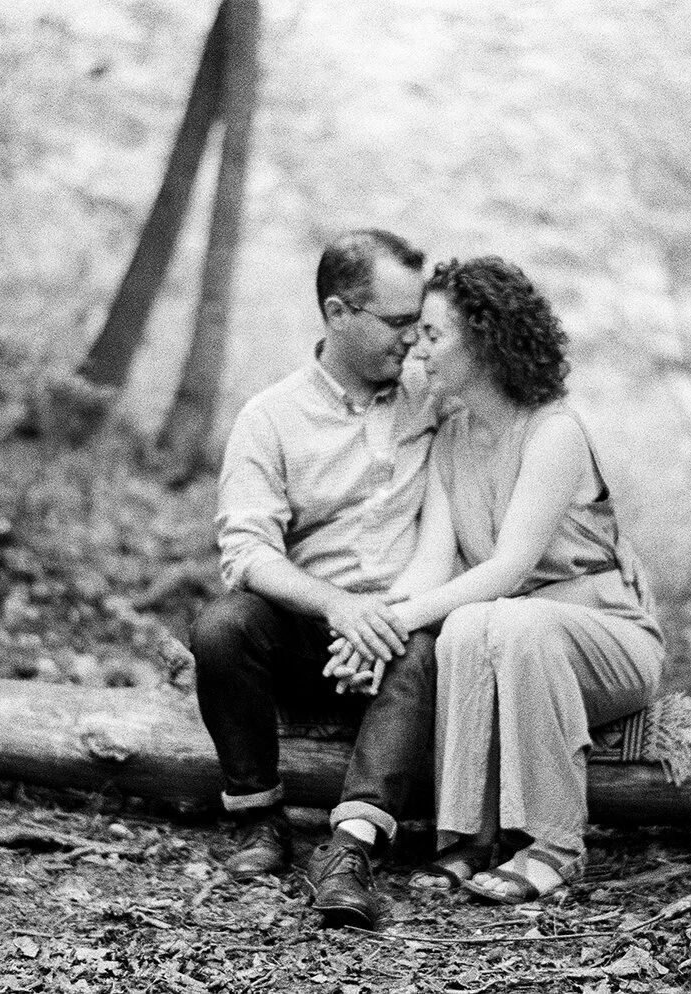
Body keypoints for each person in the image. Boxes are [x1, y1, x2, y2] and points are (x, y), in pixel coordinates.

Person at [327, 255, 664, 903]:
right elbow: (430, 568)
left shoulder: (553, 431)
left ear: (485, 341)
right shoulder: (451, 436)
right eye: (416, 333)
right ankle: (471, 838)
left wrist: (398, 620)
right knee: (463, 626)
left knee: (503, 616)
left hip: (609, 637)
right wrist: (365, 630)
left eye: (433, 333)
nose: (415, 348)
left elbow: (509, 569)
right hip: (513, 634)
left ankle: (557, 844)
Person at [192, 228, 440, 930]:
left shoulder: (432, 400)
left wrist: (381, 616)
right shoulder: (271, 416)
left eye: (419, 323)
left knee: (414, 645)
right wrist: (340, 609)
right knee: (221, 627)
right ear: (337, 312)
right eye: (397, 324)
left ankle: (350, 851)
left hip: (407, 625)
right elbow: (245, 550)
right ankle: (257, 818)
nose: (413, 341)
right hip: (311, 631)